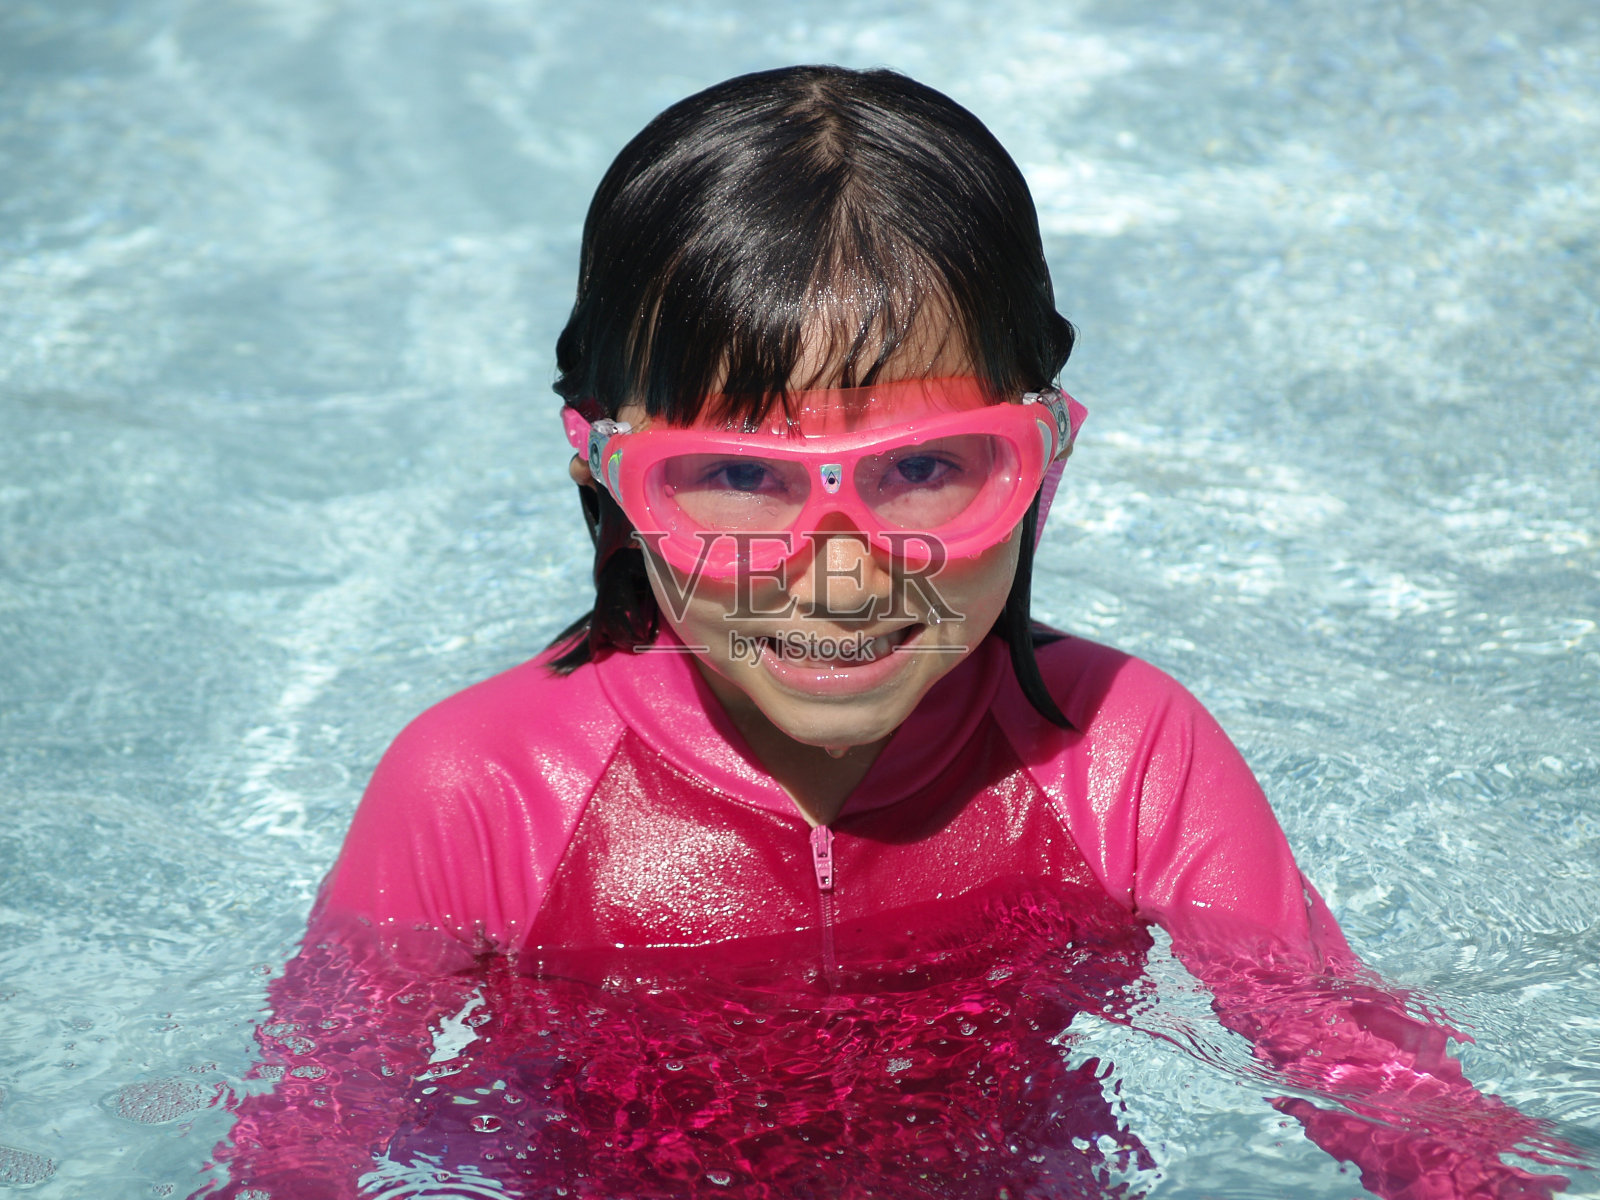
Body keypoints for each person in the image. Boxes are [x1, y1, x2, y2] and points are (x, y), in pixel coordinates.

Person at [197, 66, 1575, 1199]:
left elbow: (1364, 1071)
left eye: (928, 470)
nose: (843, 574)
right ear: (606, 482)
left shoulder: (1122, 756)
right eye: (739, 480)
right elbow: (299, 1141)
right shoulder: (483, 790)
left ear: (1043, 457)